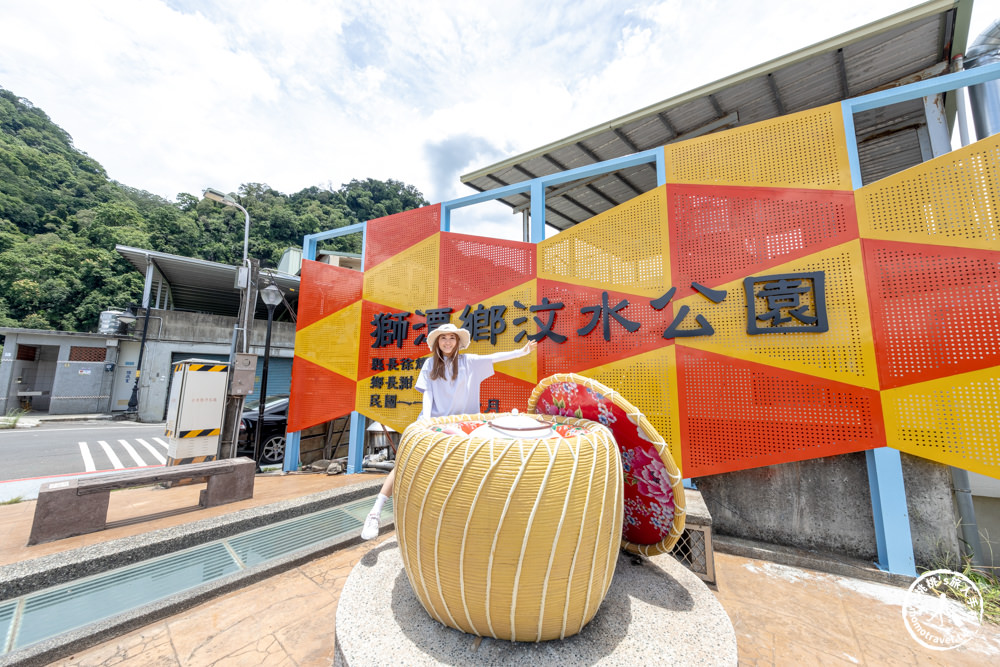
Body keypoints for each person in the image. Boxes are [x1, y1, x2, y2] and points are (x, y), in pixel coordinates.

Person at [361, 323, 537, 540]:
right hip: (434, 423)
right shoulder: (429, 364)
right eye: (443, 338)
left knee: (469, 469)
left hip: (465, 427)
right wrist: (426, 421)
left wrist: (521, 352)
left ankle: (473, 521)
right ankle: (375, 512)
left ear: (458, 341)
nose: (447, 342)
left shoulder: (469, 362)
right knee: (404, 463)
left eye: (451, 338)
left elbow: (494, 357)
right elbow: (427, 394)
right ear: (437, 342)